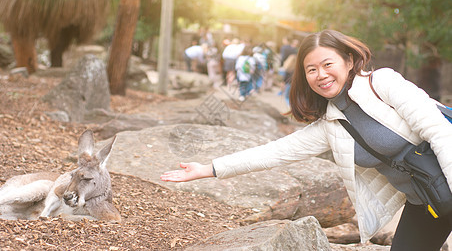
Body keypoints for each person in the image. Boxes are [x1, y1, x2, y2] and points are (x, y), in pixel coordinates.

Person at [161, 29, 452, 251]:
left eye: (328, 64)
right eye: (311, 69)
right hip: (426, 199)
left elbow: (439, 132)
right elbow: (276, 152)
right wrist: (209, 168)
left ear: (349, 61)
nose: (320, 75)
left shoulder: (383, 83)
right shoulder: (331, 124)